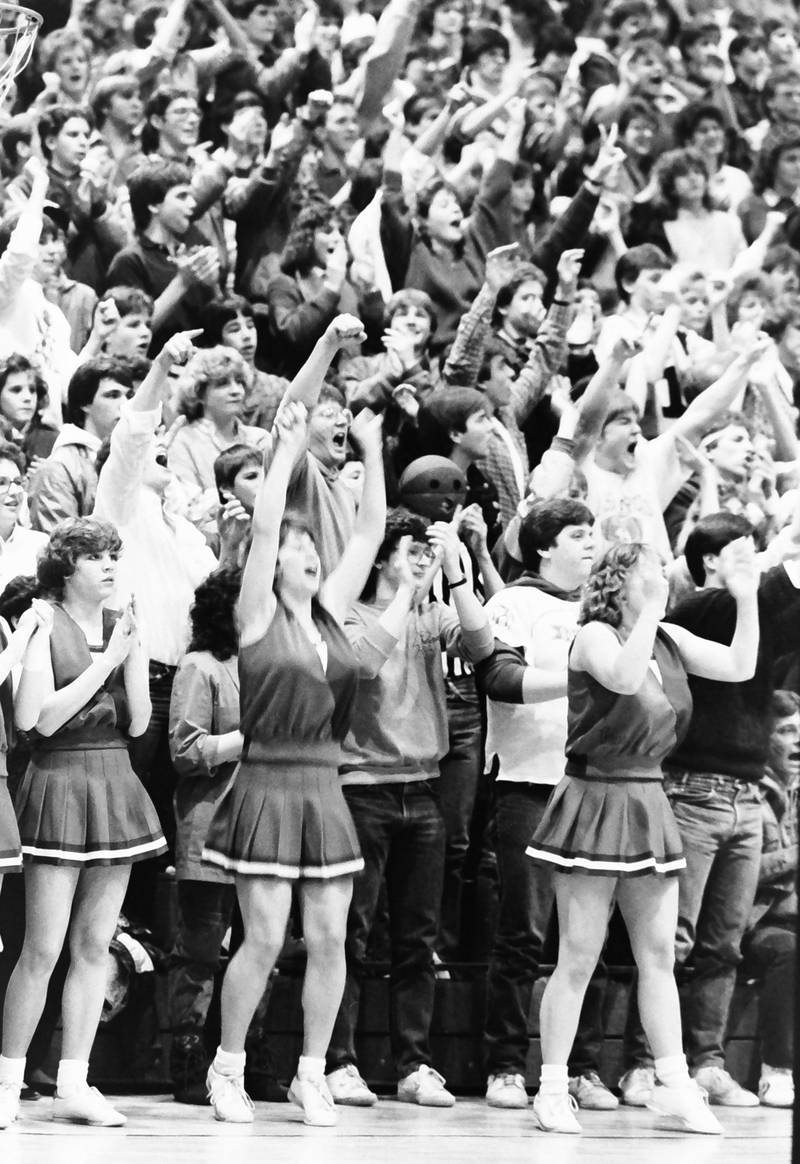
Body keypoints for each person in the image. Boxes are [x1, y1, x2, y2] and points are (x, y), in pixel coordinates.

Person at [524, 537, 760, 1135]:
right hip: (594, 797)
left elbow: (740, 666)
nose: (660, 575)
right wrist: (654, 611)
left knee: (657, 956)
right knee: (577, 955)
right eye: (649, 569)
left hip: (648, 797)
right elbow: (624, 682)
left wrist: (748, 597)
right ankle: (552, 1088)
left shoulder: (667, 639)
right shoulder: (595, 636)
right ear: (619, 580)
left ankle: (675, 1085)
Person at [202, 398, 386, 1127]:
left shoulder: (333, 611)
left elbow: (370, 531)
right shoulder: (254, 615)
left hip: (324, 785)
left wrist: (371, 450)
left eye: (315, 551)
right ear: (271, 560)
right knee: (267, 937)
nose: (310, 556)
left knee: (333, 938)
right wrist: (282, 453)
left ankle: (313, 1073)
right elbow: (272, 519)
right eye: (297, 549)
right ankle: (228, 1067)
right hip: (269, 783)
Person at [621, 513, 800, 1109]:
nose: (752, 565)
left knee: (723, 944)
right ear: (706, 565)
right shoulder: (696, 611)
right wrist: (781, 551)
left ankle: (707, 1063)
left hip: (748, 795)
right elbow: (756, 597)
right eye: (739, 553)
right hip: (692, 791)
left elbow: (784, 606)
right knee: (671, 938)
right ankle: (644, 1065)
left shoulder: (757, 613)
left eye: (755, 553)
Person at [324, 507, 495, 1109]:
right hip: (359, 786)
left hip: (424, 785)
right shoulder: (346, 610)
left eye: (428, 550)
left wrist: (457, 573)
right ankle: (336, 1062)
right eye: (413, 550)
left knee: (418, 939)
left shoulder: (432, 610)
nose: (423, 560)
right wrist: (408, 594)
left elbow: (482, 645)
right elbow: (365, 663)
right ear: (380, 556)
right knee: (350, 933)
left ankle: (414, 1064)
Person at [0, 517, 166, 1131]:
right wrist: (109, 662)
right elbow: (39, 720)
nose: (109, 566)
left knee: (95, 945)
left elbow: (141, 723)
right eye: (97, 556)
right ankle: (8, 1080)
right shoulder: (43, 620)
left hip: (114, 780)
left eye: (114, 556)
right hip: (57, 781)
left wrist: (135, 650)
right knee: (40, 948)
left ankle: (75, 1079)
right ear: (67, 567)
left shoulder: (122, 627)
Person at [476, 498, 616, 1111]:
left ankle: (581, 1067)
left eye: (594, 535)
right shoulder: (514, 602)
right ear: (541, 547)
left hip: (594, 785)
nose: (591, 544)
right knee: (523, 935)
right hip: (528, 783)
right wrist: (581, 673)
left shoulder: (602, 611)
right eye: (577, 535)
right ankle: (505, 1066)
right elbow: (498, 680)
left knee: (587, 941)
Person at [741, 688, 799, 1109]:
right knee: (787, 949)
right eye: (788, 731)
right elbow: (743, 873)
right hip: (756, 921)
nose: (799, 741)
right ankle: (776, 1071)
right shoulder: (748, 792)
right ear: (765, 736)